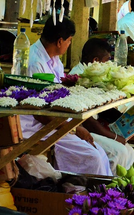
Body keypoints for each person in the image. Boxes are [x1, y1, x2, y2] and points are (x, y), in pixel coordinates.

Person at [22, 16, 112, 176]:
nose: (69, 44)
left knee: (100, 154)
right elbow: (40, 112)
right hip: (38, 126)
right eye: (69, 40)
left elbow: (60, 95)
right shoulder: (35, 63)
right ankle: (81, 196)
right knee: (93, 157)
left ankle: (103, 198)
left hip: (58, 121)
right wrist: (75, 129)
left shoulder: (55, 60)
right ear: (59, 41)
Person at [69, 38, 134, 174]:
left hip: (93, 127)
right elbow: (87, 121)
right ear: (95, 61)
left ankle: (120, 188)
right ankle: (107, 189)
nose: (109, 65)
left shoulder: (94, 76)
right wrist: (115, 137)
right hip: (80, 130)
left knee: (130, 151)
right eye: (106, 61)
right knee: (119, 152)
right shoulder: (78, 78)